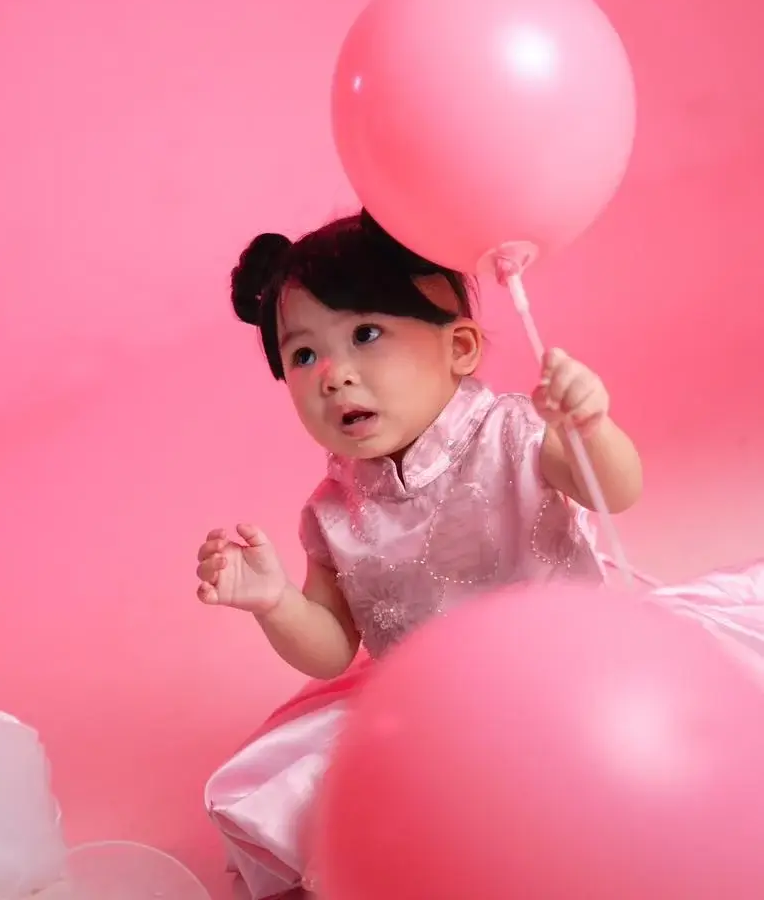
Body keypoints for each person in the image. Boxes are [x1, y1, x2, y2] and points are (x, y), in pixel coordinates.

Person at [199, 210, 762, 899]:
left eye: (365, 335)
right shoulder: (333, 510)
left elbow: (613, 490)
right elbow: (332, 649)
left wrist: (590, 427)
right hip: (434, 710)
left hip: (572, 672)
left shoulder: (510, 433)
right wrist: (276, 602)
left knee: (592, 778)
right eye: (304, 355)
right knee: (329, 799)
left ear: (459, 347)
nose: (333, 376)